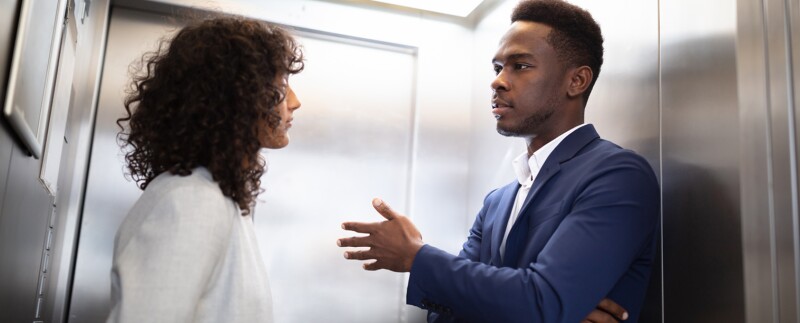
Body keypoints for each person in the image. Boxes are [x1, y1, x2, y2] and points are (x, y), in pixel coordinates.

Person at [337, 0, 659, 322]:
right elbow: (442, 318)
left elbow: (541, 303)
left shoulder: (617, 175)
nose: (497, 81)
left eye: (520, 66)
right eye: (497, 68)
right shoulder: (497, 201)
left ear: (576, 81)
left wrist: (417, 256)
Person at [108, 16, 303, 323]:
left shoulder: (218, 198)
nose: (295, 102)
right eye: (280, 85)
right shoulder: (190, 202)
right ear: (236, 96)